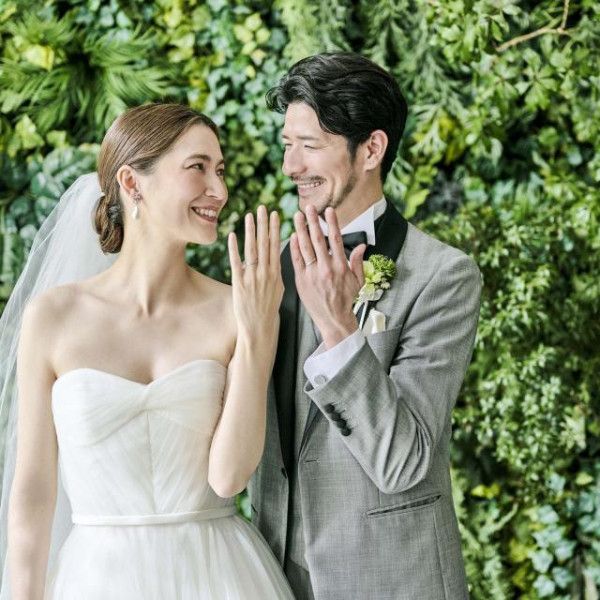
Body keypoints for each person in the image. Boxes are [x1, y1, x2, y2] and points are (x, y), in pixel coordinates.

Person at [0, 104, 294, 598]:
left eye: (220, 171)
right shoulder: (52, 317)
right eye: (198, 167)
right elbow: (33, 491)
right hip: (95, 580)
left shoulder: (236, 310)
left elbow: (229, 477)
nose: (219, 190)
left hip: (218, 576)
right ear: (132, 183)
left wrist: (259, 333)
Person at [248, 53, 482, 600]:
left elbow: (404, 462)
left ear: (372, 149)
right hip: (269, 575)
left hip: (391, 579)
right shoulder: (269, 265)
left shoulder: (443, 276)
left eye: (310, 145)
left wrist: (340, 329)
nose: (290, 166)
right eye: (287, 144)